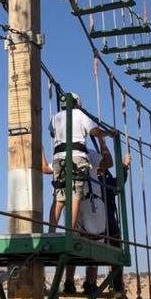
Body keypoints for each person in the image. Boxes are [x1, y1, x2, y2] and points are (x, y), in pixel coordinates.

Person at [48, 93, 106, 233]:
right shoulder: (80, 114)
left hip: (59, 158)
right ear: (77, 104)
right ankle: (70, 231)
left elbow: (52, 133)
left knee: (59, 196)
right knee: (75, 196)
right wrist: (108, 134)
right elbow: (94, 131)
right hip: (77, 156)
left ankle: (51, 231)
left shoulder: (55, 117)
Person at [63, 134, 112, 294]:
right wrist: (102, 141)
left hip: (75, 203)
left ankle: (69, 282)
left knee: (74, 240)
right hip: (92, 202)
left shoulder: (64, 154)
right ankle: (89, 283)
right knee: (96, 241)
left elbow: (47, 169)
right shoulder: (91, 154)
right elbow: (109, 162)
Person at [99, 153, 131, 299]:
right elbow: (116, 184)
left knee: (95, 254)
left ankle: (111, 285)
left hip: (94, 220)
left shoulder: (93, 174)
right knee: (117, 252)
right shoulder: (101, 176)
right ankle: (117, 287)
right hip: (107, 219)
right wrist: (124, 166)